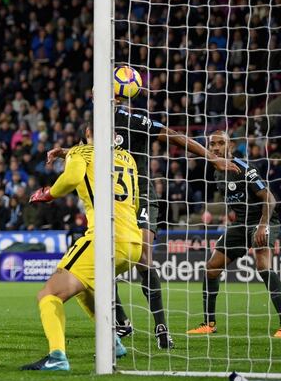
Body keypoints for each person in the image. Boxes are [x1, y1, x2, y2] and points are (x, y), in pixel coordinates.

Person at [47, 96, 238, 349]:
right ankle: (121, 322)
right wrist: (66, 152)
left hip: (142, 194)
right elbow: (88, 150)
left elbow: (173, 136)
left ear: (118, 94)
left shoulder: (132, 119)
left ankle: (161, 328)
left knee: (144, 258)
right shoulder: (95, 124)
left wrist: (210, 158)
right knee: (103, 259)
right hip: (110, 198)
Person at [21, 122, 142, 371]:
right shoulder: (128, 158)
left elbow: (73, 176)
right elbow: (137, 201)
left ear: (87, 133)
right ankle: (113, 342)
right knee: (82, 287)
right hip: (133, 242)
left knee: (49, 295)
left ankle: (56, 358)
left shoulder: (80, 152)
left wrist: (48, 193)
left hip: (105, 238)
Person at [187, 130, 281, 337]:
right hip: (240, 223)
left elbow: (269, 198)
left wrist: (262, 225)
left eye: (221, 143)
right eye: (213, 144)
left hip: (263, 220)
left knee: (262, 264)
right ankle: (209, 324)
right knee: (211, 268)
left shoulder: (243, 168)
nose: (216, 147)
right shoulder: (216, 170)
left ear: (230, 146)